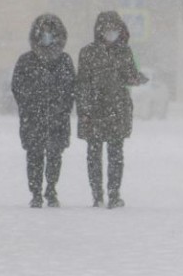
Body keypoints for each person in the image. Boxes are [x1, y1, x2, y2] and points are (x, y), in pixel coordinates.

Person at [75, 11, 148, 209]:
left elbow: (128, 75)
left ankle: (114, 194)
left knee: (116, 154)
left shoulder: (124, 51)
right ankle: (97, 194)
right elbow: (82, 84)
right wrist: (85, 110)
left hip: (118, 109)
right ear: (100, 31)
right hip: (95, 110)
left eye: (114, 30)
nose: (111, 33)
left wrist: (137, 78)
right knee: (94, 154)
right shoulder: (88, 53)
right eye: (107, 30)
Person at [12, 14, 75, 208]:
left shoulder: (64, 60)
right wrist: (30, 104)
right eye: (44, 32)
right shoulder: (26, 60)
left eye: (51, 32)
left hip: (58, 117)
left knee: (55, 154)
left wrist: (62, 106)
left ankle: (51, 188)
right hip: (33, 117)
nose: (47, 36)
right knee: (34, 155)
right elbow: (17, 87)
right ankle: (36, 192)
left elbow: (71, 87)